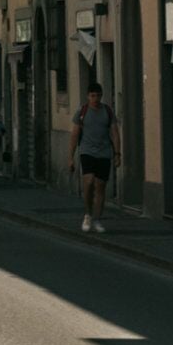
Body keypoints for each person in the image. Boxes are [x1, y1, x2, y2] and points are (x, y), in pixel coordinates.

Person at [71, 79, 117, 233]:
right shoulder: (82, 112)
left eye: (97, 96)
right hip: (87, 151)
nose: (95, 99)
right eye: (92, 96)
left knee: (100, 186)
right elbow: (75, 134)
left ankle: (97, 219)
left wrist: (117, 153)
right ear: (87, 96)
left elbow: (115, 133)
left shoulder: (108, 112)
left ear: (101, 96)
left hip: (104, 153)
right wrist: (70, 157)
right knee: (89, 182)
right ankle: (87, 214)